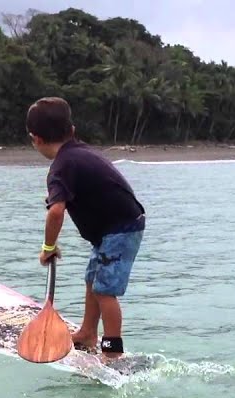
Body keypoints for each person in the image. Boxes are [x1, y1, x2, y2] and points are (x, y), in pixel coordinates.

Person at [26, 96, 146, 359]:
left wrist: (48, 247)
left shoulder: (60, 167)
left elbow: (56, 212)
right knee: (93, 279)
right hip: (112, 229)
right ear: (71, 130)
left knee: (105, 290)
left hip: (120, 229)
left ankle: (112, 351)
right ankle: (87, 333)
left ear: (36, 139)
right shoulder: (79, 153)